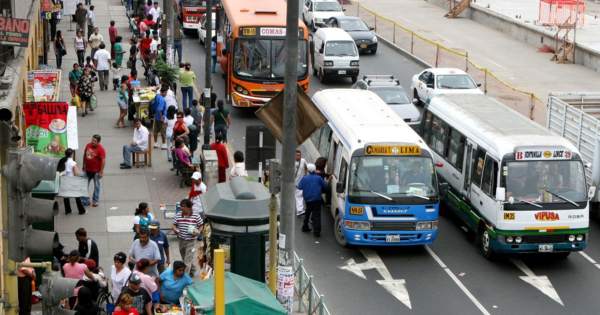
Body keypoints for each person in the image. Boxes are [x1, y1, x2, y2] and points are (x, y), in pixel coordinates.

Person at [298, 164, 331, 237]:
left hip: (307, 199)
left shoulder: (304, 178)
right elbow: (325, 186)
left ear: (309, 170)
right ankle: (316, 231)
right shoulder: (318, 178)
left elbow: (299, 187)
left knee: (307, 213)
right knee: (316, 215)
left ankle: (305, 226)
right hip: (317, 199)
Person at [172, 199, 203, 276]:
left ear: (189, 208)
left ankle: (185, 277)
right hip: (181, 240)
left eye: (184, 206)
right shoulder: (179, 215)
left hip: (191, 241)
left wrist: (198, 232)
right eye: (181, 206)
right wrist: (175, 229)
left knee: (187, 260)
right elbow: (174, 224)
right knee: (184, 257)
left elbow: (201, 225)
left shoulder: (196, 216)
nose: (182, 208)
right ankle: (193, 269)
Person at [60, 149, 87, 215]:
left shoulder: (63, 161)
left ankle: (68, 210)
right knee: (77, 195)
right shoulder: (73, 163)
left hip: (64, 180)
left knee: (66, 196)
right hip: (72, 180)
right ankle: (81, 210)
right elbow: (75, 173)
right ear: (71, 154)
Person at [81, 134, 106, 207]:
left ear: (98, 142)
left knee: (97, 186)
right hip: (87, 169)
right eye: (92, 140)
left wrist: (101, 172)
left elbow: (103, 160)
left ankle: (95, 200)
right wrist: (83, 165)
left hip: (96, 172)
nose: (92, 142)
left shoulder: (101, 149)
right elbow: (84, 155)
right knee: (84, 185)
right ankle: (85, 200)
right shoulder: (88, 145)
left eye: (94, 141)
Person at [294, 150, 308, 216]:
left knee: (299, 195)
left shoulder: (303, 161)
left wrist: (305, 174)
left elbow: (306, 166)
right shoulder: (290, 162)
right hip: (292, 182)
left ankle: (299, 210)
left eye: (300, 155)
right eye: (297, 155)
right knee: (294, 196)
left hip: (299, 182)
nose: (299, 157)